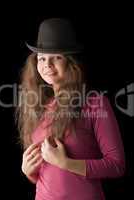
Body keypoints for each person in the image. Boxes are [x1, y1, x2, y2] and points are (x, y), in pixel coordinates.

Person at [16, 18, 125, 200]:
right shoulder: (37, 106)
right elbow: (47, 175)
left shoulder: (95, 103)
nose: (47, 65)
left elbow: (117, 165)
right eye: (42, 58)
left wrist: (65, 163)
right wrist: (28, 171)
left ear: (70, 62)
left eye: (56, 57)